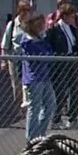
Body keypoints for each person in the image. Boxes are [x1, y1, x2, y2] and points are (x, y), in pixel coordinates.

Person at [46, 3, 78, 129]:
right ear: (64, 16)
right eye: (71, 15)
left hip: (71, 62)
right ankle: (56, 119)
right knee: (60, 92)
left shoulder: (72, 29)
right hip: (60, 64)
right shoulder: (54, 29)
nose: (73, 18)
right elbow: (49, 45)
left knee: (74, 90)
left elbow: (75, 43)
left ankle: (72, 119)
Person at [19, 13, 56, 142]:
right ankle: (31, 137)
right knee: (35, 107)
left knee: (50, 105)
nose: (42, 26)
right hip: (34, 78)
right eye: (39, 23)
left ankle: (40, 133)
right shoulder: (27, 41)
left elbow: (49, 53)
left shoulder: (40, 38)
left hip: (44, 77)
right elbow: (41, 54)